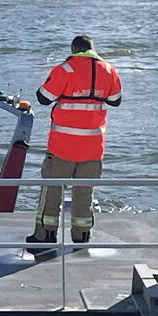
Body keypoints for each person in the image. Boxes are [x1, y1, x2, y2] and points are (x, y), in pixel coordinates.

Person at [26, 34, 122, 255]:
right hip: (93, 147)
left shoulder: (65, 69)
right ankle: (81, 237)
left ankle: (45, 236)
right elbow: (116, 100)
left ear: (73, 49)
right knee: (84, 193)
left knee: (52, 190)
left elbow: (43, 97)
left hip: (63, 146)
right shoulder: (108, 70)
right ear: (92, 49)